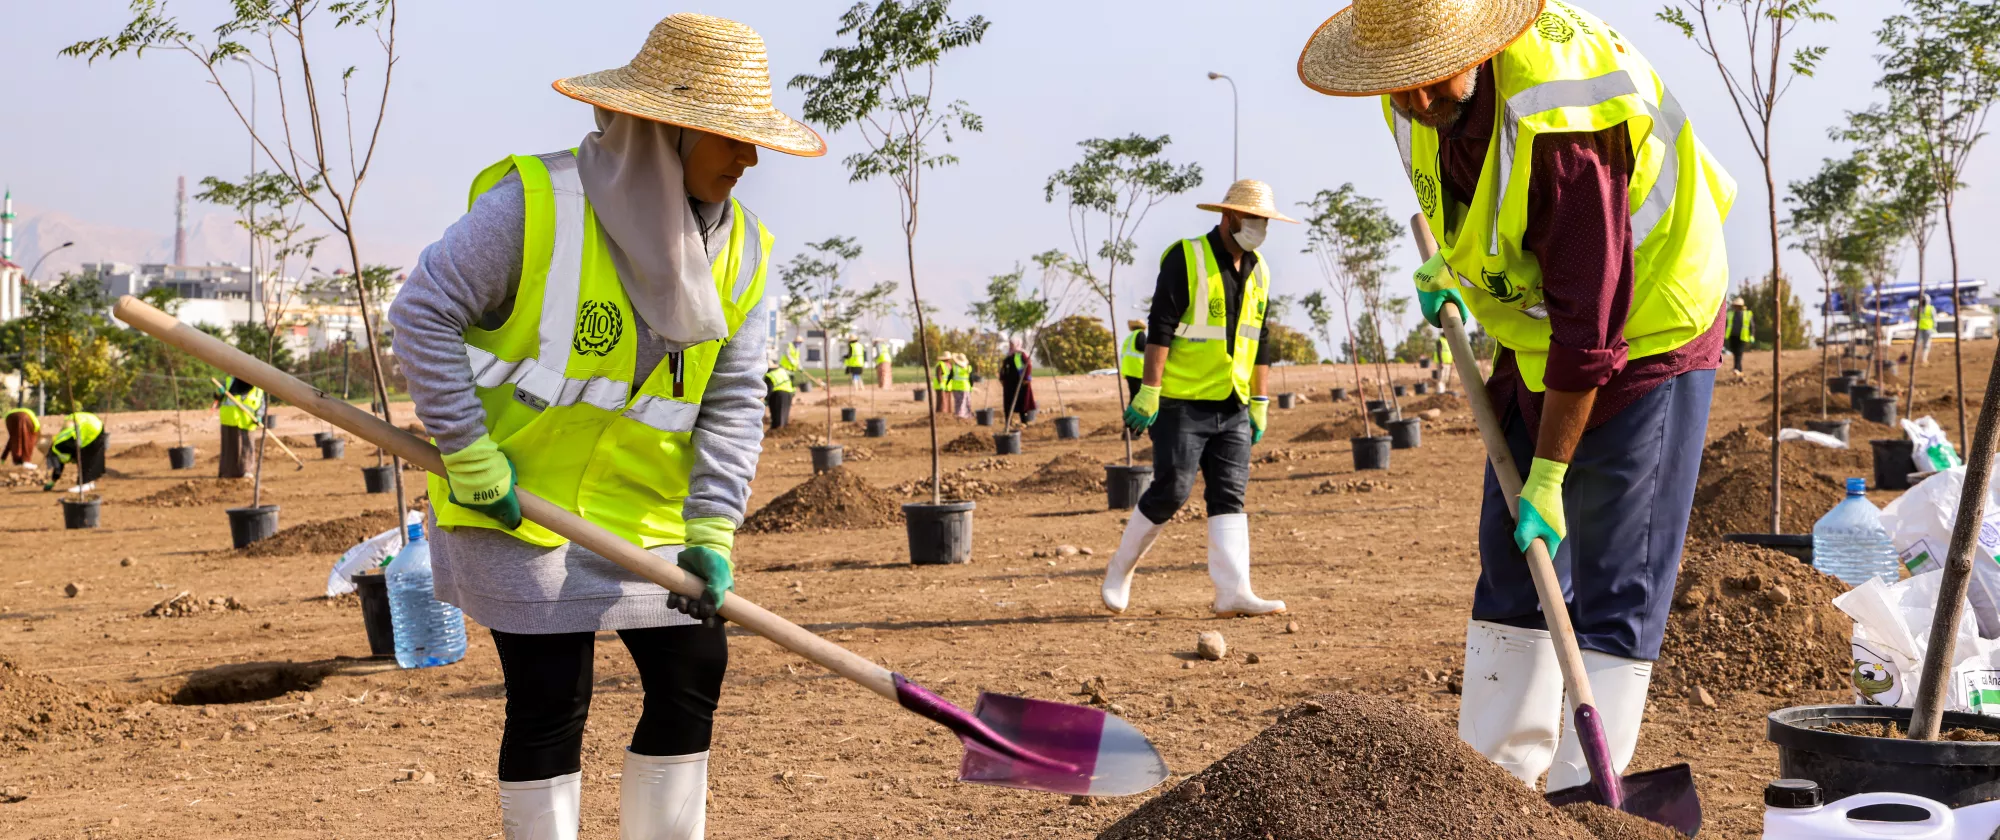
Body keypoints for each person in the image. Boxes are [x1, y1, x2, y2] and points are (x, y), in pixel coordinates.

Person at [384, 14, 823, 840]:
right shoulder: (538, 206)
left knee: (695, 667)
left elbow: (731, 402)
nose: (750, 158)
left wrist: (714, 530)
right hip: (516, 506)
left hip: (644, 514)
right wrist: (467, 448)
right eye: (730, 136)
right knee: (554, 697)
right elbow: (423, 314)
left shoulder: (746, 252)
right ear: (664, 129)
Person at [1299, 0, 1733, 794]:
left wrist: (1550, 474)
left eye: (1432, 81)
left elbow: (1590, 327)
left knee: (1614, 572)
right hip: (1540, 330)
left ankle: (1581, 795)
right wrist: (1453, 273)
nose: (1417, 102)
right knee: (1510, 553)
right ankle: (1492, 786)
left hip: (1649, 323)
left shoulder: (1566, 130)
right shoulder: (1408, 92)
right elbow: (1474, 204)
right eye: (1400, 87)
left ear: (1481, 45)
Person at [1102, 180, 1291, 619]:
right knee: (1173, 488)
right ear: (1228, 217)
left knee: (1230, 495)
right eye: (1253, 219)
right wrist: (1149, 390)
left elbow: (1260, 338)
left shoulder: (1260, 269)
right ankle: (1119, 570)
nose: (1260, 227)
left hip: (1235, 401)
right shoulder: (1185, 257)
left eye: (1265, 221)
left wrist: (1260, 400)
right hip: (1182, 400)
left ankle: (1233, 592)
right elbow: (1161, 326)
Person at [214, 376, 265, 479]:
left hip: (248, 422)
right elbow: (217, 397)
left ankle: (246, 471)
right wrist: (220, 393)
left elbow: (261, 405)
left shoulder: (258, 389)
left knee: (247, 447)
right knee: (230, 447)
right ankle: (227, 472)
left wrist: (259, 416)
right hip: (230, 419)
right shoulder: (230, 382)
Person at [43, 412, 106, 493]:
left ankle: (83, 484)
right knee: (90, 456)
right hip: (97, 425)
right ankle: (89, 483)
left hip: (90, 431)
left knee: (83, 457)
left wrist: (52, 482)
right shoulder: (59, 439)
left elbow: (58, 467)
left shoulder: (57, 447)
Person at [998, 339, 1037, 425]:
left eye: (1012, 344)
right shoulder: (1009, 355)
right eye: (1010, 344)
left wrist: (1026, 378)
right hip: (1009, 384)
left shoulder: (1020, 355)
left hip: (1020, 383)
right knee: (1008, 403)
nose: (1011, 345)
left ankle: (1024, 421)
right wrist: (1002, 378)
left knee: (1021, 402)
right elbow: (1004, 369)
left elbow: (1028, 366)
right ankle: (1008, 422)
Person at [1119, 319, 1147, 404]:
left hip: (1129, 370)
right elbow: (1142, 347)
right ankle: (1133, 415)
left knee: (1134, 395)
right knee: (1138, 396)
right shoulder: (1140, 334)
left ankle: (1130, 415)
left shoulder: (1130, 337)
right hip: (1137, 370)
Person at [1724, 297, 1752, 377]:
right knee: (1735, 353)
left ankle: (1736, 369)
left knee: (1739, 353)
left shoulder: (1747, 314)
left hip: (1742, 337)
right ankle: (1739, 369)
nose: (1736, 307)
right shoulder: (1730, 314)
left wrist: (1752, 335)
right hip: (1732, 336)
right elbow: (1726, 324)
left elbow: (1751, 325)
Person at [764, 362, 795, 430]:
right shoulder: (782, 371)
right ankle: (782, 428)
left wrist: (766, 400)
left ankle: (776, 429)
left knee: (776, 413)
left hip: (778, 394)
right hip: (789, 393)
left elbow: (769, 389)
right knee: (784, 412)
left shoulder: (769, 375)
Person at [949, 353, 974, 420]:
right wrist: (971, 386)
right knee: (964, 402)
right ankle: (963, 416)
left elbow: (950, 377)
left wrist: (947, 384)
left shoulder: (954, 367)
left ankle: (958, 414)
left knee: (957, 402)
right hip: (965, 388)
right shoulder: (968, 368)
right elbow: (971, 379)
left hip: (955, 388)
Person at [1916, 297, 1937, 365]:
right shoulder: (1931, 308)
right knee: (1925, 345)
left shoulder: (1918, 308)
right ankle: (1924, 359)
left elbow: (1913, 317)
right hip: (1926, 328)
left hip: (1922, 328)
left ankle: (1918, 359)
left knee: (1918, 344)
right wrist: (1934, 328)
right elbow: (1934, 319)